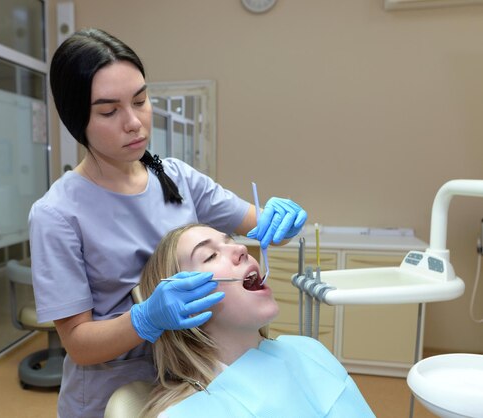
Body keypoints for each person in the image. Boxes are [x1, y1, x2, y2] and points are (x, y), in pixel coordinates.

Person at [29, 28, 307, 418]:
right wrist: (145, 319)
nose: (135, 122)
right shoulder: (56, 214)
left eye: (141, 100)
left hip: (190, 381)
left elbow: (258, 226)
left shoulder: (175, 177)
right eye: (109, 111)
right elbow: (78, 343)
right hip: (110, 396)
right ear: (78, 119)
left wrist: (282, 221)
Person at [138, 224, 375, 418]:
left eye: (231, 242)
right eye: (210, 255)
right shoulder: (186, 414)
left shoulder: (308, 349)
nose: (241, 248)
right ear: (183, 305)